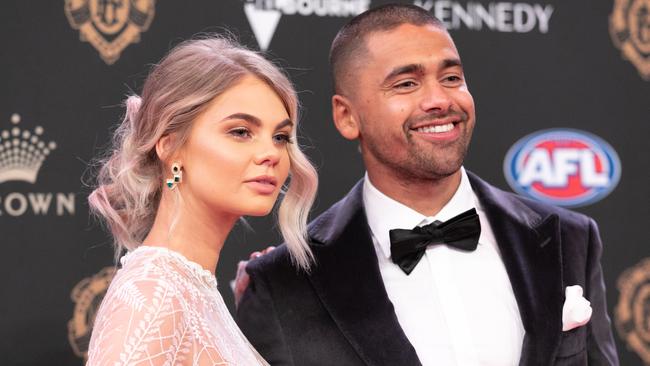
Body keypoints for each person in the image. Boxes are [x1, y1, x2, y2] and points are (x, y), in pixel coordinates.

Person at [235, 4, 619, 366]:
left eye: (451, 78)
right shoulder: (284, 283)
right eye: (406, 84)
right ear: (347, 116)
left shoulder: (569, 239)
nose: (439, 99)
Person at [85, 35, 318, 365]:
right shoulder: (155, 292)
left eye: (280, 137)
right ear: (170, 146)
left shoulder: (192, 289)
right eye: (240, 132)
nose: (271, 154)